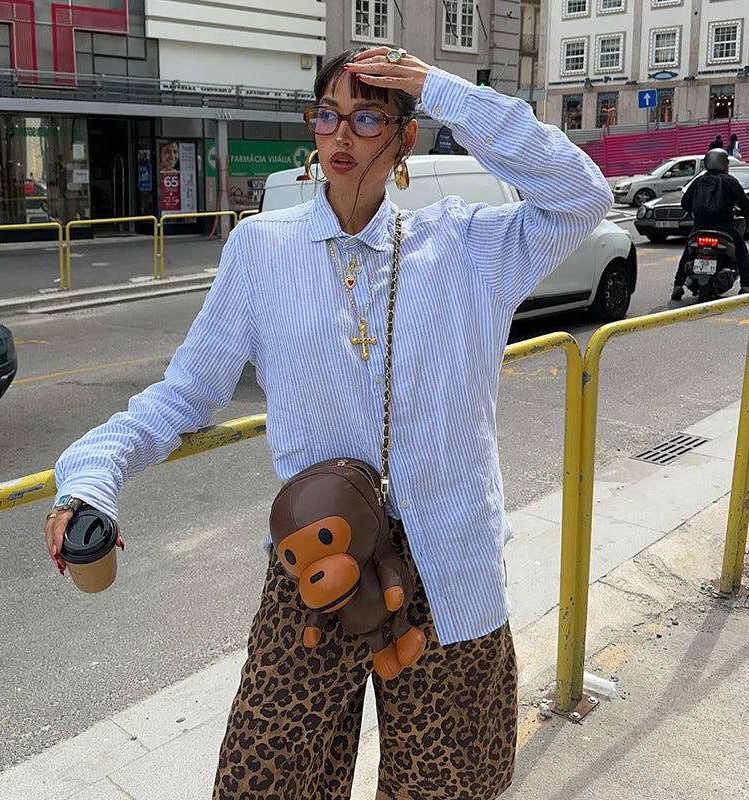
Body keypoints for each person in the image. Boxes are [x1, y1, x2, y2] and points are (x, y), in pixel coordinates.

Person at [44, 46, 612, 800]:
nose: (342, 136)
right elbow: (184, 394)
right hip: (318, 565)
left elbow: (581, 195)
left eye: (370, 116)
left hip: (451, 574)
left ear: (407, 137)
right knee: (266, 780)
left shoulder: (472, 247)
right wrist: (92, 474)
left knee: (446, 788)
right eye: (327, 115)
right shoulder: (261, 250)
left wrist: (443, 91)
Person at [671, 147, 749, 300]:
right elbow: (745, 206)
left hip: (700, 228)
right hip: (724, 229)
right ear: (723, 164)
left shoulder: (699, 181)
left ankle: (678, 285)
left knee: (687, 252)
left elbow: (685, 204)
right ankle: (745, 286)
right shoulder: (730, 182)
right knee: (742, 252)